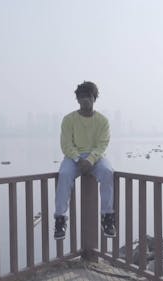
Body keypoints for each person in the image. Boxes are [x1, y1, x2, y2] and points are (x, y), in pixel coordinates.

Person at [54, 81, 116, 240]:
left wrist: (90, 160)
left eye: (88, 96)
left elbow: (103, 144)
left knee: (108, 172)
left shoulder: (103, 121)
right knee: (65, 174)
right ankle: (60, 218)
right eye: (81, 97)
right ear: (77, 99)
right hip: (73, 157)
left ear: (94, 98)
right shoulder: (68, 119)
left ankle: (107, 217)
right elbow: (66, 144)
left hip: (96, 157)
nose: (85, 100)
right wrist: (78, 159)